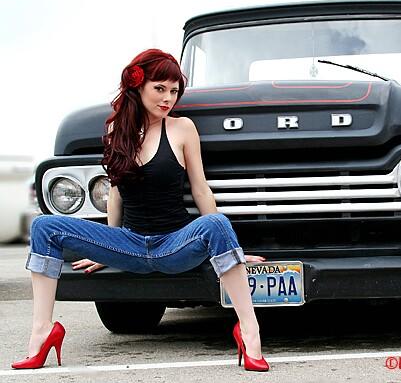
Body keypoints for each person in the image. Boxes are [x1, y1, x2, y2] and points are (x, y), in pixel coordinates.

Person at [12, 49, 270, 372]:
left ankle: (249, 332)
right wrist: (106, 245)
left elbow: (201, 189)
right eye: (159, 89)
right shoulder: (115, 132)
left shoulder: (182, 129)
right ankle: (42, 332)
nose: (167, 99)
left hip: (174, 244)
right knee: (43, 228)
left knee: (216, 223)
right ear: (139, 87)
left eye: (174, 91)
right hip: (130, 244)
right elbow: (116, 193)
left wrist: (230, 249)